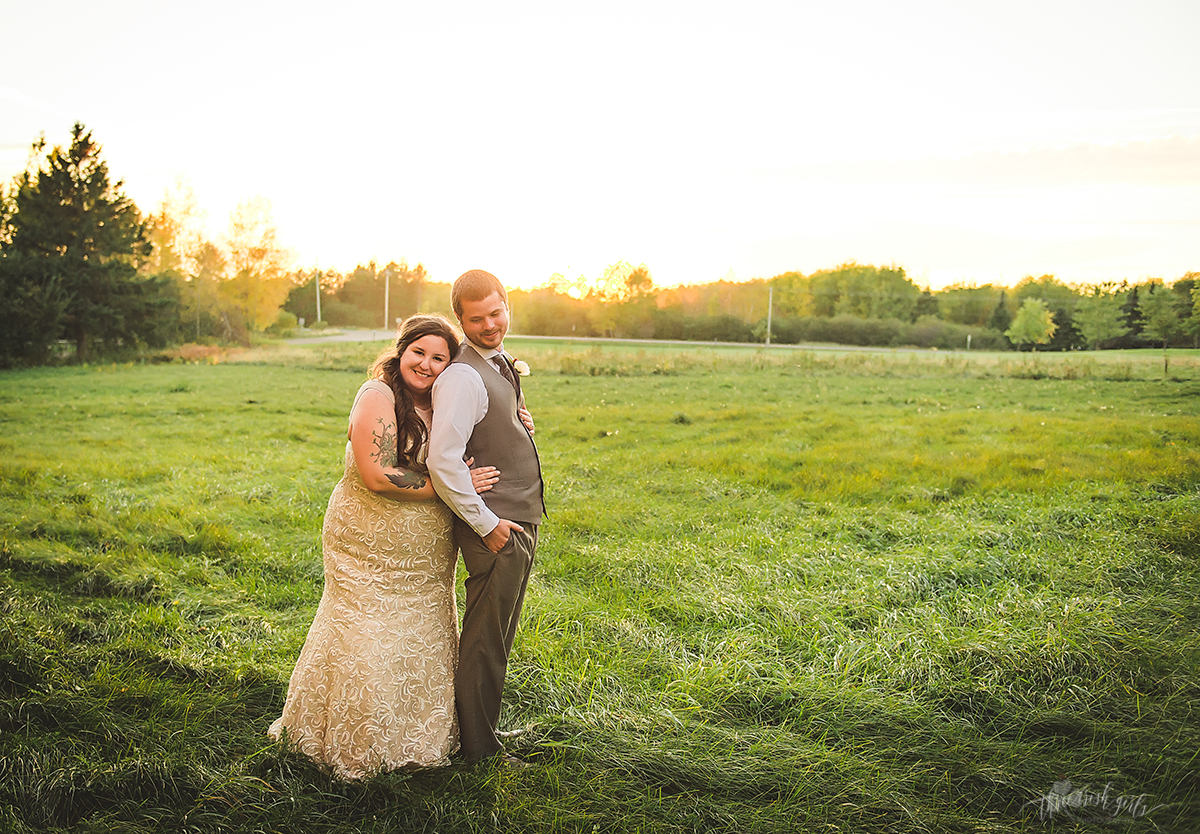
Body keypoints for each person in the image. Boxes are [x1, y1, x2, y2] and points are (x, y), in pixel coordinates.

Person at [269, 314, 502, 779]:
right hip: (366, 539)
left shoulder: (445, 400)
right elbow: (377, 476)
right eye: (419, 352)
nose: (427, 365)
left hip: (426, 548)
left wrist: (520, 415)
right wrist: (452, 484)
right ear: (401, 351)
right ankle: (352, 743)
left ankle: (419, 740)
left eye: (440, 358)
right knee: (366, 631)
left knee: (423, 633)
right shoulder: (377, 395)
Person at [428, 269, 546, 766]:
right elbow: (442, 459)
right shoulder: (460, 375)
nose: (489, 325)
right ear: (461, 321)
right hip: (497, 528)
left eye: (496, 313)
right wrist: (486, 524)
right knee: (485, 642)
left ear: (507, 307)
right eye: (476, 320)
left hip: (516, 519)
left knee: (499, 636)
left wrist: (519, 421)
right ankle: (478, 750)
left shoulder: (497, 365)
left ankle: (483, 728)